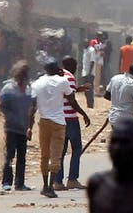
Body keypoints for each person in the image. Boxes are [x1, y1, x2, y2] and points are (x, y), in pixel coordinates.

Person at [31, 62, 73, 198]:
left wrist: (29, 127)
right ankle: (50, 186)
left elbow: (32, 107)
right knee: (56, 155)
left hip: (43, 121)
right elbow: (71, 98)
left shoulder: (37, 83)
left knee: (44, 154)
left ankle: (44, 185)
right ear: (57, 70)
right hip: (59, 122)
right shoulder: (63, 81)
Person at [53, 56, 93, 191]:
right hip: (69, 118)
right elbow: (71, 100)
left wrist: (80, 88)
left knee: (61, 150)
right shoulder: (69, 77)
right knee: (76, 149)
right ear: (73, 66)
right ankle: (72, 179)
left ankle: (58, 181)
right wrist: (84, 114)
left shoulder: (59, 76)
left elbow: (68, 92)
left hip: (58, 118)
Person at [0, 61, 34, 192]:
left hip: (23, 128)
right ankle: (6, 182)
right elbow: (3, 106)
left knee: (22, 157)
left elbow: (32, 109)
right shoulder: (8, 88)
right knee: (9, 155)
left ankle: (20, 183)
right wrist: (11, 118)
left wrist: (29, 126)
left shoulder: (28, 89)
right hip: (11, 127)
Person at [81, 40, 99, 108]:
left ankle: (91, 104)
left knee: (89, 90)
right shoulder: (85, 50)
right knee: (85, 90)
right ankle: (88, 103)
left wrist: (89, 73)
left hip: (89, 73)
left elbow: (92, 62)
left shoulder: (91, 50)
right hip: (84, 72)